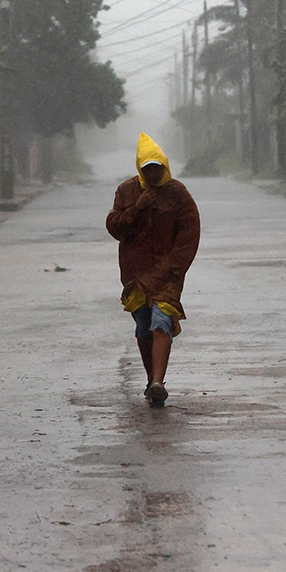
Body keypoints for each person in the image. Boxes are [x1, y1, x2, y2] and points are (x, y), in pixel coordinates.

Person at [106, 133, 201, 407]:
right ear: (140, 169)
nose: (153, 174)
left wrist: (174, 269)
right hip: (136, 275)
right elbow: (115, 228)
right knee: (143, 330)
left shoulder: (178, 194)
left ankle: (159, 381)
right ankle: (151, 380)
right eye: (147, 169)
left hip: (168, 275)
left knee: (162, 324)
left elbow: (189, 235)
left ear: (165, 167)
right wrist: (138, 207)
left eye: (157, 169)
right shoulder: (126, 192)